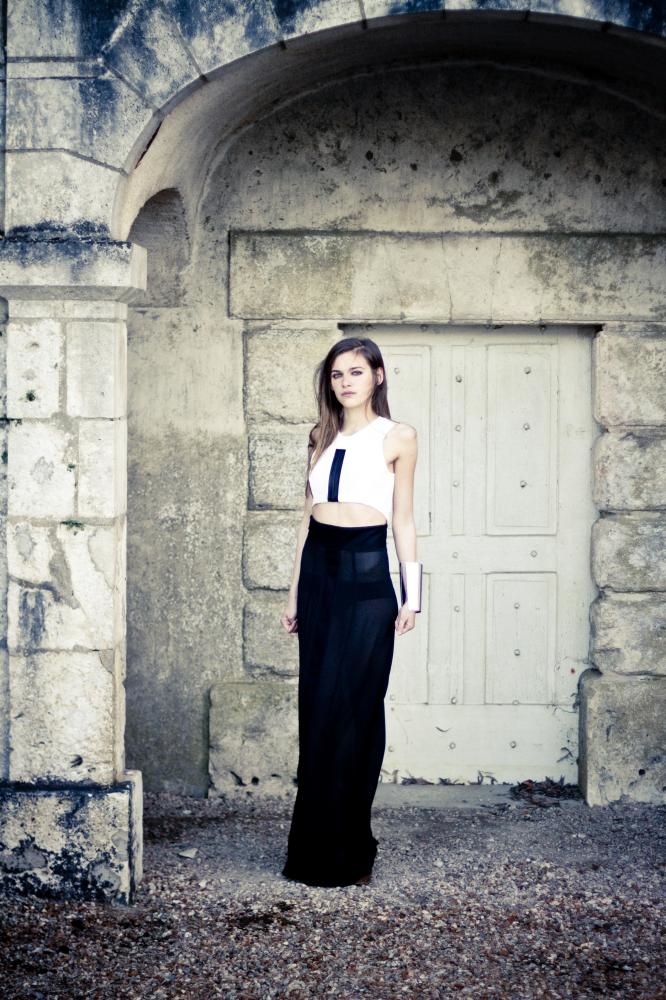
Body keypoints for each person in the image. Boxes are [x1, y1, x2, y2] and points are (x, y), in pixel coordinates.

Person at [279, 336, 421, 887]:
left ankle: (352, 850)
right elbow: (305, 519)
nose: (345, 382)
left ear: (377, 376)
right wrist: (293, 593)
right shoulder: (320, 435)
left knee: (356, 708)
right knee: (318, 709)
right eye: (337, 374)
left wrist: (412, 595)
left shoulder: (398, 436)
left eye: (356, 372)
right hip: (319, 577)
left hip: (366, 580)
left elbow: (403, 519)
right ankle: (312, 852)